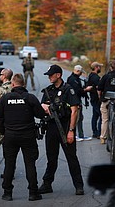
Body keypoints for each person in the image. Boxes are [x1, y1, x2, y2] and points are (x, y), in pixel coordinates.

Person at [0, 73, 46, 201]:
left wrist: (4, 132)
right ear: (24, 84)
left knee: (9, 164)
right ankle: (33, 193)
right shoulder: (30, 98)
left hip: (10, 135)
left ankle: (7, 193)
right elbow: (40, 114)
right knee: (30, 164)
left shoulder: (5, 98)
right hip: (27, 135)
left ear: (12, 84)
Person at [38, 64, 84, 195]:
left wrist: (71, 130)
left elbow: (74, 110)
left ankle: (78, 186)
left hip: (65, 126)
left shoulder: (68, 90)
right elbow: (41, 107)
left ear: (58, 75)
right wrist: (43, 107)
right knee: (51, 158)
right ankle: (47, 184)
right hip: (51, 127)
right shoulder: (48, 91)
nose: (49, 78)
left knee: (71, 158)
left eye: (51, 75)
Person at [98, 60, 115, 144]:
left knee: (105, 119)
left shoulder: (106, 77)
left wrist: (100, 97)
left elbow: (99, 89)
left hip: (106, 100)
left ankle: (103, 137)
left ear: (110, 67)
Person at [67, 65, 92, 141]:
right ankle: (74, 134)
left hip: (77, 101)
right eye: (81, 72)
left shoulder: (75, 79)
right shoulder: (73, 80)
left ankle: (81, 135)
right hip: (74, 102)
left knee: (80, 118)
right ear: (78, 71)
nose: (81, 74)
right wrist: (85, 90)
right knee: (76, 118)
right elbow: (77, 91)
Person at [85, 62, 103, 139]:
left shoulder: (90, 76)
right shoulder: (95, 77)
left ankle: (95, 132)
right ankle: (98, 133)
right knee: (101, 116)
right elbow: (99, 87)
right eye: (99, 67)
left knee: (95, 116)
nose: (100, 68)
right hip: (96, 99)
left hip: (93, 98)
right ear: (96, 67)